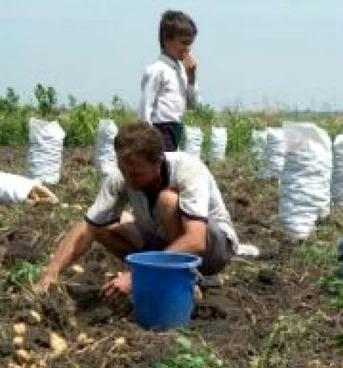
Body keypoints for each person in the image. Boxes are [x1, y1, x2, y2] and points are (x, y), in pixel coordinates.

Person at [33, 123, 255, 296]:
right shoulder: (121, 177)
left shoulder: (187, 169)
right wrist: (49, 274)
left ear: (158, 162)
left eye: (136, 173)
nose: (128, 180)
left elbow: (196, 240)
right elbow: (86, 229)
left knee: (167, 200)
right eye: (123, 170)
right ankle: (161, 273)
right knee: (102, 227)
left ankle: (184, 281)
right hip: (164, 240)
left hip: (212, 250)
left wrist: (138, 276)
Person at [138, 10, 200, 152]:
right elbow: (146, 107)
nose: (188, 49)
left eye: (190, 44)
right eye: (183, 43)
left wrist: (192, 79)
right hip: (160, 129)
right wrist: (146, 138)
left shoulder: (182, 71)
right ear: (167, 40)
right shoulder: (156, 70)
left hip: (176, 128)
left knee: (171, 169)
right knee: (163, 170)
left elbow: (193, 105)